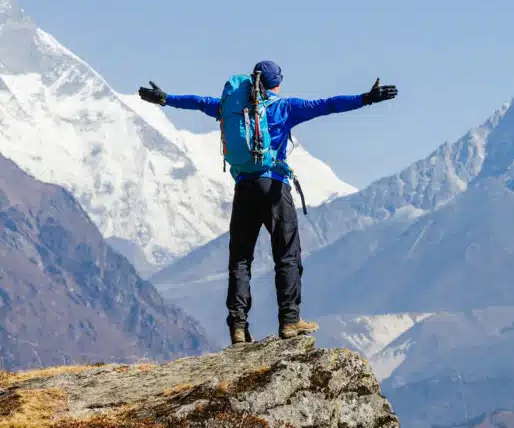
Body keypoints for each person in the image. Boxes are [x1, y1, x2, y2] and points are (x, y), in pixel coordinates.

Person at [138, 60, 397, 344]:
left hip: (244, 186)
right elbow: (328, 105)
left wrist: (165, 99)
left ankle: (238, 328)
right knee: (286, 253)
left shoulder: (232, 106)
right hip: (273, 185)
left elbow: (198, 102)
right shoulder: (286, 107)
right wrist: (366, 99)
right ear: (277, 83)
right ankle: (289, 321)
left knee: (240, 258)